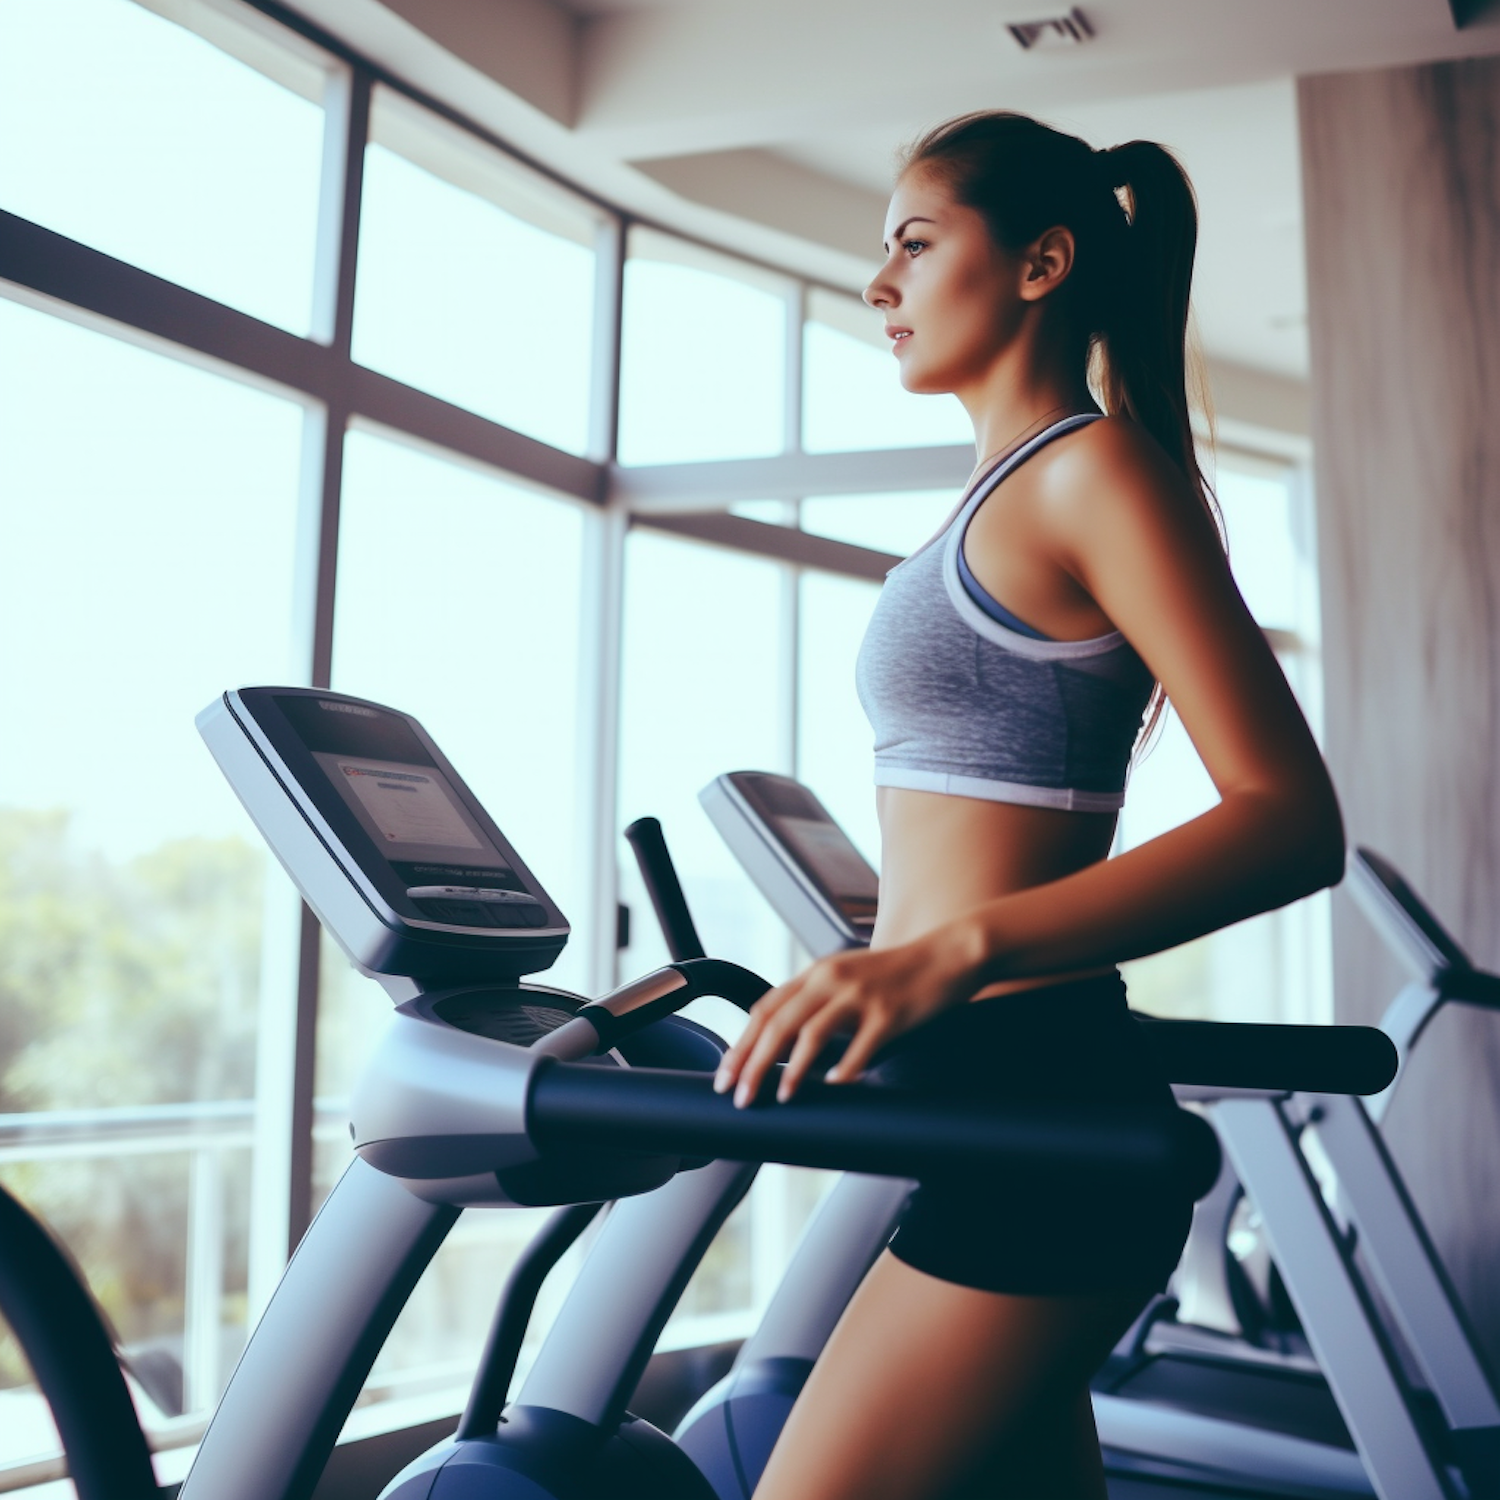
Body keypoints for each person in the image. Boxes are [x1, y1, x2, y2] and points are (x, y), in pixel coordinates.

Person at [711, 111, 1345, 1500]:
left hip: (1038, 1107)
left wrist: (949, 952)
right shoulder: (998, 498)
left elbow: (1291, 817)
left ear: (1042, 262)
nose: (879, 284)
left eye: (917, 245)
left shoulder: (1094, 473)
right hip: (981, 1099)